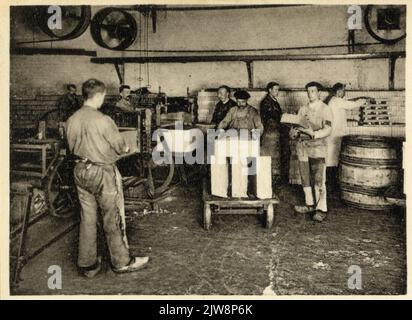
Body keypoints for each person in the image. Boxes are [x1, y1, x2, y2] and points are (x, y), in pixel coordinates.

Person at [66, 79, 149, 277]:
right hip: (102, 172)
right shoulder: (103, 120)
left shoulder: (72, 119)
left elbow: (70, 147)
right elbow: (121, 147)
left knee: (87, 218)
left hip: (79, 170)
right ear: (99, 96)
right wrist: (126, 147)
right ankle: (121, 262)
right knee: (111, 216)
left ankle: (88, 265)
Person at [289, 82, 333, 222]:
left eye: (313, 91)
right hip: (302, 148)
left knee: (319, 179)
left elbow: (328, 129)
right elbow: (297, 126)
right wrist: (293, 133)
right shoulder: (302, 109)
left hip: (318, 147)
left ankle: (321, 209)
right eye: (308, 91)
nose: (310, 93)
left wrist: (313, 134)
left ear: (318, 93)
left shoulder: (325, 109)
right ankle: (309, 204)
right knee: (305, 178)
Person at [218, 90, 264, 199]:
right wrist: (220, 130)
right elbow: (225, 122)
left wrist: (256, 134)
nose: (240, 104)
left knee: (246, 165)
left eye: (243, 102)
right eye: (238, 102)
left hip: (247, 140)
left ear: (247, 101)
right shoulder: (232, 110)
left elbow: (260, 127)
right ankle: (232, 188)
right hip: (233, 139)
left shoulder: (253, 112)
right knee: (232, 163)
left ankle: (247, 189)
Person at [326, 83, 367, 192]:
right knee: (332, 161)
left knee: (333, 160)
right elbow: (350, 105)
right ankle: (331, 186)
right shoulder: (336, 101)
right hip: (334, 135)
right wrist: (363, 101)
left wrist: (357, 99)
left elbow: (347, 102)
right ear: (339, 91)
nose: (344, 93)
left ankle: (331, 185)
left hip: (336, 135)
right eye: (343, 91)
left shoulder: (335, 101)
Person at [260, 82, 282, 189]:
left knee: (274, 156)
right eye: (275, 89)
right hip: (270, 133)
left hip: (275, 133)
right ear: (270, 90)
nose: (277, 91)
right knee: (270, 156)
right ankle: (268, 182)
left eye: (278, 89)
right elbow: (271, 118)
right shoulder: (267, 102)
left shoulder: (273, 101)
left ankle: (272, 181)